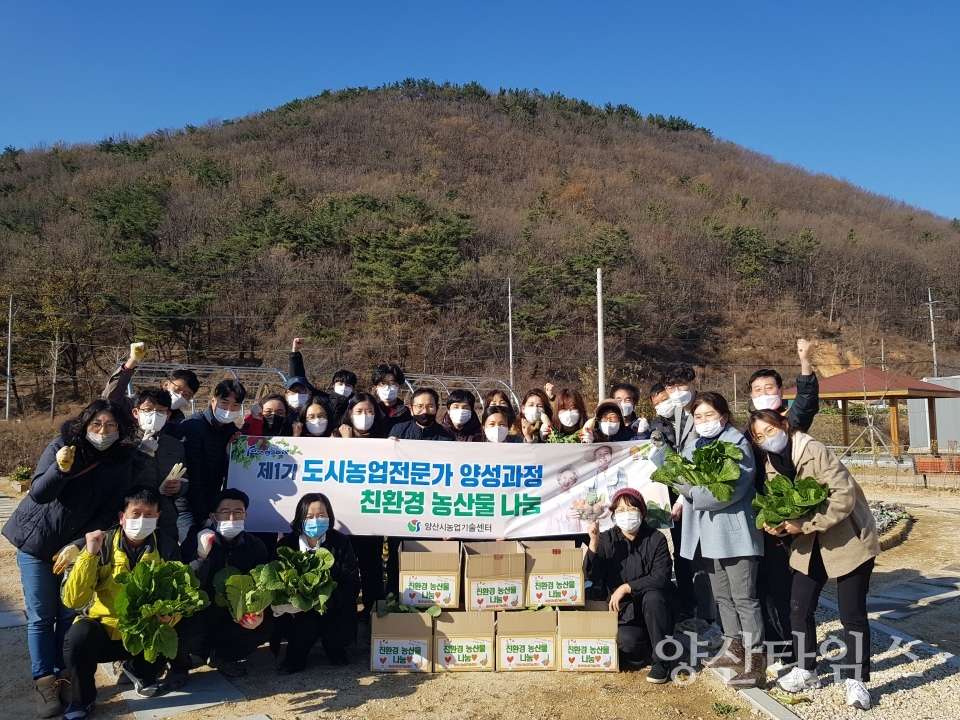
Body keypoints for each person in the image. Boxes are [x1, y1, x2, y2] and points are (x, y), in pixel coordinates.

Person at [2, 399, 136, 718]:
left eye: (110, 425)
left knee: (67, 615)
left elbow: (109, 512)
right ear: (85, 424)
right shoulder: (63, 445)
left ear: (120, 428)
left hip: (73, 549)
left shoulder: (121, 460)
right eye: (96, 425)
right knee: (40, 616)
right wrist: (60, 469)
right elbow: (39, 493)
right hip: (37, 543)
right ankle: (44, 681)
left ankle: (64, 675)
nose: (103, 431)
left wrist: (78, 544)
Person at [749, 410, 879, 710]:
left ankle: (856, 680)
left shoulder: (814, 450)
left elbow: (843, 497)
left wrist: (802, 524)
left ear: (784, 425)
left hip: (848, 539)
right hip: (810, 546)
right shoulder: (772, 465)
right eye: (759, 436)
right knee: (798, 608)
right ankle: (806, 670)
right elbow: (780, 505)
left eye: (770, 430)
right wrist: (776, 523)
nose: (767, 439)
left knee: (852, 614)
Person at [59, 488, 180, 719]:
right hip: (105, 630)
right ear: (122, 518)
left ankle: (139, 671)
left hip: (144, 630)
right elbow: (74, 600)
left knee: (177, 629)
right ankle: (82, 700)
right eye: (135, 513)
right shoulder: (100, 544)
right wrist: (89, 556)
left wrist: (171, 616)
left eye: (149, 514)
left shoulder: (168, 547)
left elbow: (178, 595)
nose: (142, 520)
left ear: (158, 517)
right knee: (77, 636)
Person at [676, 392, 765, 687]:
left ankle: (756, 662)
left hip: (735, 533)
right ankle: (733, 648)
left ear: (724, 417)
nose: (703, 422)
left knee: (745, 599)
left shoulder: (737, 444)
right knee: (723, 597)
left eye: (709, 416)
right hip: (709, 533)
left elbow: (731, 490)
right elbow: (682, 477)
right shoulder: (693, 447)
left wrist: (690, 492)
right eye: (698, 417)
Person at [747, 339, 820, 669]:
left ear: (779, 391)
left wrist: (805, 362)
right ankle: (778, 647)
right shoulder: (748, 432)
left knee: (794, 595)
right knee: (766, 587)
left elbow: (806, 403)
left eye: (769, 387)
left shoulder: (788, 425)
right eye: (758, 389)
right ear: (750, 396)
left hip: (792, 520)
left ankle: (801, 654)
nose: (764, 392)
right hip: (762, 522)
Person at [168, 489, 273, 685]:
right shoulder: (194, 540)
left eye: (238, 512)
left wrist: (258, 611)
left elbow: (261, 585)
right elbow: (185, 583)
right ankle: (179, 667)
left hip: (233, 613)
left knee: (265, 624)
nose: (232, 518)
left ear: (246, 516)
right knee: (183, 625)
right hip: (200, 611)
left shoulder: (256, 546)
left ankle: (223, 656)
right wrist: (201, 556)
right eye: (225, 512)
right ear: (213, 516)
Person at [648, 383, 719, 646]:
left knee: (703, 557)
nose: (664, 404)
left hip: (689, 498)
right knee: (683, 554)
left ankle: (711, 616)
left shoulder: (691, 421)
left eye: (667, 398)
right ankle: (691, 608)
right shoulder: (652, 426)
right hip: (668, 501)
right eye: (658, 402)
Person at [584, 488, 679, 684]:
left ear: (642, 512)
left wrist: (625, 587)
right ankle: (641, 649)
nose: (626, 514)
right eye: (620, 510)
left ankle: (661, 660)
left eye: (632, 508)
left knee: (653, 597)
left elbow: (660, 577)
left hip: (656, 608)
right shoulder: (607, 539)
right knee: (627, 641)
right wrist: (594, 543)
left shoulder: (656, 538)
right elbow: (592, 575)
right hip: (625, 611)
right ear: (613, 515)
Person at [274, 493, 361, 672]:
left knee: (339, 633)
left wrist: (323, 599)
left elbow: (351, 584)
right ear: (300, 518)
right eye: (309, 516)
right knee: (302, 631)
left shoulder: (341, 542)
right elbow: (275, 582)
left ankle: (335, 650)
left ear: (329, 517)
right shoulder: (286, 544)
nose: (316, 520)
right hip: (298, 611)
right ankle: (295, 656)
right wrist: (290, 603)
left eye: (321, 515)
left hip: (333, 607)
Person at [333, 392, 389, 622]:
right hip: (342, 512)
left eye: (369, 412)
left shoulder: (384, 437)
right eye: (359, 412)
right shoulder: (336, 435)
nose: (364, 416)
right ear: (349, 413)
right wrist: (345, 442)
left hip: (371, 512)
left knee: (371, 565)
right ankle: (342, 611)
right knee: (343, 565)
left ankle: (372, 611)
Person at [169, 379, 246, 534]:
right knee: (192, 551)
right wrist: (202, 516)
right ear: (213, 400)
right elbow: (192, 475)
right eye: (224, 402)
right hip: (188, 508)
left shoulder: (230, 431)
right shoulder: (192, 428)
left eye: (235, 405)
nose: (229, 409)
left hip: (211, 504)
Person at [128, 387, 189, 543]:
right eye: (148, 410)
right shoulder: (125, 444)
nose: (154, 415)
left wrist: (179, 487)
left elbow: (185, 478)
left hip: (167, 519)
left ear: (168, 415)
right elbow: (120, 482)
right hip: (135, 518)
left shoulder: (175, 445)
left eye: (161, 411)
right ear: (136, 413)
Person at [102, 342, 200, 425]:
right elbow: (111, 397)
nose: (180, 395)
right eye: (178, 389)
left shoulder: (178, 419)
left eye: (186, 394)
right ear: (166, 385)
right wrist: (132, 361)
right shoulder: (137, 402)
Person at [660, 363, 699, 455]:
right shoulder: (677, 409)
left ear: (693, 384)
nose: (677, 391)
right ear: (666, 389)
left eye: (681, 385)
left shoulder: (706, 409)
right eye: (671, 387)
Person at [388, 388, 454, 441]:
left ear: (437, 408)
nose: (425, 411)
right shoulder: (398, 431)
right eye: (419, 406)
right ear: (411, 410)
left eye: (430, 406)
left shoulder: (447, 437)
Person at [544, 465, 589, 534]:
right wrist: (566, 514)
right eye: (564, 478)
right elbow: (551, 511)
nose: (567, 481)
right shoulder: (552, 495)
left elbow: (583, 510)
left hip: (574, 529)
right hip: (558, 529)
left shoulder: (577, 495)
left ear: (574, 481)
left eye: (571, 478)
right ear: (559, 479)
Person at [372, 363, 409, 431]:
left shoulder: (408, 414)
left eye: (391, 383)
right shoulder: (370, 410)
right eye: (382, 384)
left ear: (399, 388)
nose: (386, 388)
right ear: (376, 388)